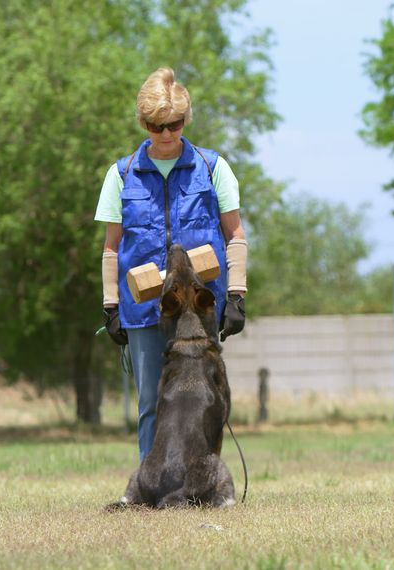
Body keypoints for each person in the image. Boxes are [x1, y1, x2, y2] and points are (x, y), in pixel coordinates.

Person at [94, 67, 247, 462]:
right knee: (151, 402)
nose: (165, 135)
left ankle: (204, 479)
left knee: (205, 398)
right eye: (156, 125)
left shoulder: (213, 168)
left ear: (185, 120)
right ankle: (152, 484)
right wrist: (111, 306)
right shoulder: (121, 175)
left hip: (200, 308)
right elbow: (111, 248)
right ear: (143, 123)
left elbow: (236, 236)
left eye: (174, 124)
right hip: (144, 310)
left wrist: (236, 297)